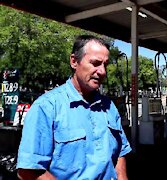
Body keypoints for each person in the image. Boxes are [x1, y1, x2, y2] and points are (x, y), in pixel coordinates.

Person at [17, 35, 132, 179]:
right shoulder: (47, 107)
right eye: (95, 63)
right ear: (74, 61)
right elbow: (29, 170)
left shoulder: (109, 106)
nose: (102, 71)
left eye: (105, 65)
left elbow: (120, 151)